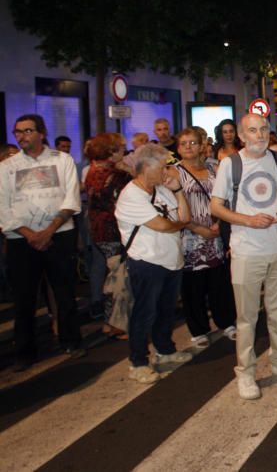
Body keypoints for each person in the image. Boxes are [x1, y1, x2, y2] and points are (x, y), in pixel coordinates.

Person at [210, 114, 277, 401]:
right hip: (247, 249)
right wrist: (246, 220)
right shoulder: (231, 164)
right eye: (253, 130)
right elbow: (216, 206)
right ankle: (246, 371)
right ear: (242, 136)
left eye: (264, 128)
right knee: (247, 317)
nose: (260, 134)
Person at [0, 114, 85, 370]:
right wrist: (29, 234)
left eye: (27, 130)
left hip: (59, 236)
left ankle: (71, 340)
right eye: (17, 132)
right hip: (20, 240)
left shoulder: (62, 160)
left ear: (41, 133)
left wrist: (49, 231)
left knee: (64, 292)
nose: (22, 136)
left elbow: (71, 199)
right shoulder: (7, 167)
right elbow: (3, 207)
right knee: (24, 299)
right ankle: (25, 352)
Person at [115, 144, 193, 383]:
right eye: (162, 166)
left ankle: (165, 350)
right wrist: (180, 223)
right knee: (144, 314)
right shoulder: (130, 195)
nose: (167, 171)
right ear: (146, 167)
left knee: (165, 311)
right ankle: (137, 362)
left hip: (171, 260)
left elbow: (185, 216)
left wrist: (178, 190)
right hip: (147, 263)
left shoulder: (163, 189)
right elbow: (164, 225)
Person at [174, 128, 236, 348]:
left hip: (216, 232)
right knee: (193, 286)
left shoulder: (214, 167)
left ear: (202, 145)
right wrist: (197, 228)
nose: (188, 147)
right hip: (190, 236)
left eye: (192, 143)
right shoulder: (174, 172)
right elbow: (172, 208)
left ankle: (226, 322)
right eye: (183, 144)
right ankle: (198, 329)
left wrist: (219, 223)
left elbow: (225, 196)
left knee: (219, 281)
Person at [83, 133, 133, 337]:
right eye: (121, 148)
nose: (124, 151)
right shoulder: (116, 174)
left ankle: (109, 322)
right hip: (114, 229)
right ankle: (117, 323)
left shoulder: (92, 171)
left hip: (98, 230)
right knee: (119, 278)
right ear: (111, 151)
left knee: (111, 275)